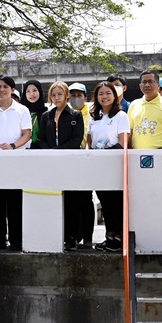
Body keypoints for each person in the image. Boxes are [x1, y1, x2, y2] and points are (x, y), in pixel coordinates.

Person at [128, 70, 162, 247]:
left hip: (161, 157)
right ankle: (145, 238)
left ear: (158, 85)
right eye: (144, 82)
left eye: (151, 81)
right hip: (138, 157)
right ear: (139, 86)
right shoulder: (134, 105)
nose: (147, 85)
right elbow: (130, 131)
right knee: (142, 199)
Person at [0, 76, 32, 252]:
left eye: (5, 87)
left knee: (15, 202)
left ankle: (16, 241)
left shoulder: (22, 110)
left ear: (12, 89)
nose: (1, 90)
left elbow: (27, 134)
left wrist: (12, 146)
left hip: (16, 160)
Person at [39, 81, 84, 251]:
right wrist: (50, 151)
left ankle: (71, 237)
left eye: (60, 94)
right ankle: (54, 236)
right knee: (51, 198)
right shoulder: (46, 116)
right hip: (51, 163)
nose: (56, 98)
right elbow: (41, 138)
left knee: (71, 201)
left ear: (67, 95)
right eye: (53, 94)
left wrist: (59, 150)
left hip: (70, 162)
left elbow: (77, 139)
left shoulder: (75, 115)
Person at [87, 82, 130, 252]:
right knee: (104, 201)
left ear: (114, 96)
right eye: (101, 94)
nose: (104, 97)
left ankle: (119, 237)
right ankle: (109, 236)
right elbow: (89, 142)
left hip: (115, 164)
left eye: (108, 93)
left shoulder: (121, 116)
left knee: (116, 202)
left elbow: (123, 142)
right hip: (98, 166)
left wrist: (106, 153)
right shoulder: (94, 118)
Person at [68, 82, 94, 248]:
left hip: (86, 161)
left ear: (85, 97)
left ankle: (88, 237)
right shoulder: (65, 113)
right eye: (73, 95)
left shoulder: (91, 114)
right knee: (71, 200)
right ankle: (74, 237)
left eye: (79, 95)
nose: (76, 98)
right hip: (69, 162)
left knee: (85, 199)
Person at [20, 80, 47, 149]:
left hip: (42, 150)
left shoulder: (46, 113)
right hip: (22, 149)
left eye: (34, 90)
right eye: (28, 91)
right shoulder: (20, 112)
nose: (31, 94)